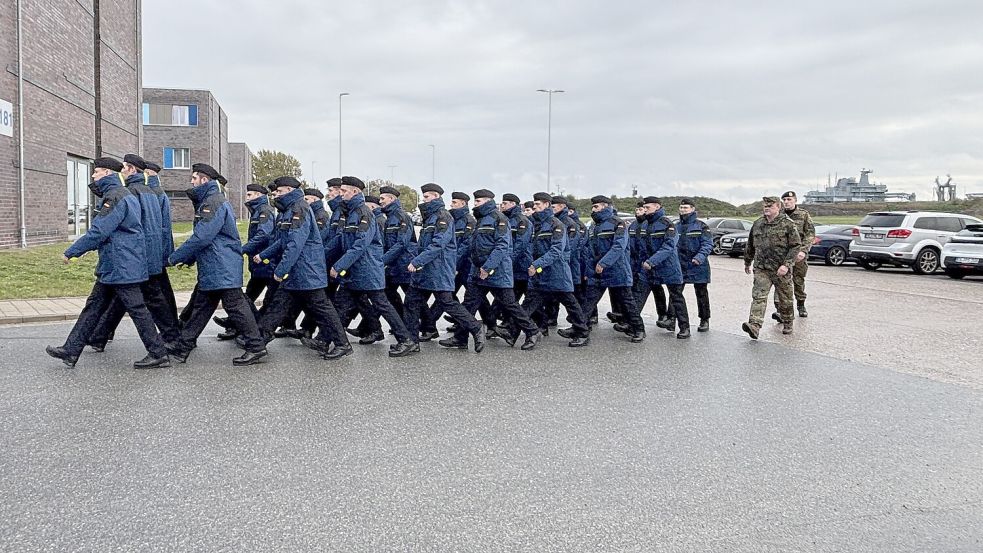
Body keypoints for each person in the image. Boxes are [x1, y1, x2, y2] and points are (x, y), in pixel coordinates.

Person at [46, 157, 170, 369]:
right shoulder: (125, 195)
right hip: (117, 264)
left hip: (122, 265)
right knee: (93, 307)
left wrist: (72, 251)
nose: (93, 176)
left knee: (138, 310)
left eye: (96, 172)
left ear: (107, 174)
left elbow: (99, 230)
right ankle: (71, 350)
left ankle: (158, 352)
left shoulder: (114, 197)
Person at [166, 163, 268, 366]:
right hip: (217, 264)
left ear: (205, 180)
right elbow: (208, 239)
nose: (192, 182)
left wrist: (175, 257)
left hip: (221, 265)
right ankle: (183, 347)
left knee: (236, 307)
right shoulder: (211, 201)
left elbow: (202, 236)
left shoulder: (212, 203)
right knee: (202, 308)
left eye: (194, 178)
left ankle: (256, 346)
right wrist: (188, 258)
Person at [85, 154, 181, 351]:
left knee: (147, 300)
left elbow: (136, 226)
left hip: (137, 255)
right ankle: (99, 336)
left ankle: (171, 339)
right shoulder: (153, 192)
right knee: (126, 298)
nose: (121, 172)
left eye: (124, 168)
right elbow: (162, 227)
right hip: (148, 254)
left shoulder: (131, 192)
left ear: (131, 170)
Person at [328, 177, 417, 357]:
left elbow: (360, 244)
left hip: (366, 270)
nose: (340, 194)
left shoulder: (363, 213)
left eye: (344, 191)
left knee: (383, 305)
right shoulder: (351, 213)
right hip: (356, 271)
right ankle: (328, 340)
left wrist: (339, 265)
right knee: (340, 305)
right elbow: (340, 241)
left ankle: (406, 340)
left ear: (355, 192)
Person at [447, 189, 541, 350]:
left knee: (511, 304)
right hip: (478, 272)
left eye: (478, 201)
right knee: (469, 304)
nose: (475, 204)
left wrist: (488, 267)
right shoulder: (481, 220)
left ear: (487, 201)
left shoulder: (499, 219)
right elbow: (473, 245)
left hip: (496, 272)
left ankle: (532, 331)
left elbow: (502, 246)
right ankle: (460, 337)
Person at [402, 183, 485, 352]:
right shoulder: (431, 217)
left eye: (426, 197)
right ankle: (411, 342)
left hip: (437, 269)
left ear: (436, 197)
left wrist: (417, 261)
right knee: (411, 302)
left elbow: (438, 243)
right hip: (426, 270)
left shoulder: (443, 217)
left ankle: (475, 327)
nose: (423, 200)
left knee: (447, 302)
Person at [522, 192, 590, 347]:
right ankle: (513, 331)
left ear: (546, 205)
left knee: (570, 302)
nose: (535, 207)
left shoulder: (556, 225)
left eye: (538, 204)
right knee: (529, 303)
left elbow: (556, 250)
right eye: (534, 204)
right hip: (541, 273)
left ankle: (583, 332)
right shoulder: (537, 224)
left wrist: (536, 264)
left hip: (556, 272)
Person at [576, 196, 645, 342]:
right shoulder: (594, 226)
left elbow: (618, 247)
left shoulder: (618, 223)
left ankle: (638, 329)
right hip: (597, 272)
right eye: (593, 207)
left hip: (616, 270)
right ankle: (579, 330)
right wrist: (589, 271)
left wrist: (604, 263)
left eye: (596, 207)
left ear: (605, 206)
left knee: (627, 302)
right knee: (588, 302)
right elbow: (589, 250)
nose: (593, 210)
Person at [215, 183, 276, 340]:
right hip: (259, 264)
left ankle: (254, 328)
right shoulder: (258, 211)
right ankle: (238, 324)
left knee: (267, 300)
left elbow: (264, 235)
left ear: (258, 195)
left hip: (266, 263)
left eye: (249, 195)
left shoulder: (264, 211)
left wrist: (243, 250)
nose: (246, 198)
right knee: (248, 296)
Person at [742, 196, 803, 339]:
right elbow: (750, 245)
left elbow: (795, 246)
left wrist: (786, 265)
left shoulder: (788, 224)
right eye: (765, 206)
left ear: (778, 207)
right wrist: (747, 262)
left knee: (785, 298)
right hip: (762, 268)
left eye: (770, 206)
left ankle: (788, 322)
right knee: (758, 297)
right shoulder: (758, 224)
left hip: (780, 269)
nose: (767, 208)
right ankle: (755, 325)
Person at [639, 197, 690, 338]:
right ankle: (633, 325)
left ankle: (684, 328)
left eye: (647, 207)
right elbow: (641, 247)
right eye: (644, 207)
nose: (645, 210)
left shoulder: (667, 224)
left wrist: (651, 261)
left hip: (668, 267)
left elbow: (668, 247)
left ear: (657, 206)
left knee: (676, 298)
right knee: (639, 295)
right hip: (649, 268)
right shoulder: (644, 224)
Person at [431, 191, 479, 337]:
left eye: (455, 203)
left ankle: (487, 324)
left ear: (463, 204)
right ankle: (430, 325)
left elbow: (466, 245)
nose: (451, 205)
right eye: (451, 202)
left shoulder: (469, 221)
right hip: (454, 265)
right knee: (446, 297)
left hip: (465, 265)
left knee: (475, 299)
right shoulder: (452, 219)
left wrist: (454, 265)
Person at [771, 190, 815, 320]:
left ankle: (801, 305)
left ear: (795, 200)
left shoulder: (803, 215)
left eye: (789, 200)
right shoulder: (779, 215)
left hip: (798, 256)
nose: (786, 202)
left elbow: (810, 234)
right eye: (784, 200)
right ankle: (780, 310)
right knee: (781, 281)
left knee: (798, 281)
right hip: (783, 255)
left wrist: (803, 250)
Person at [378, 185, 417, 319]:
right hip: (394, 265)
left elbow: (402, 243)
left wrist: (382, 260)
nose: (380, 201)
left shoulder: (402, 216)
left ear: (391, 198)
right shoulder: (390, 217)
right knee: (388, 292)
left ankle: (428, 327)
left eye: (383, 198)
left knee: (413, 298)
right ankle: (401, 320)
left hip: (405, 264)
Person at [676, 198, 713, 332]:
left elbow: (707, 244)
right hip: (680, 264)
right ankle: (671, 318)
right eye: (681, 207)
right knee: (676, 292)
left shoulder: (701, 226)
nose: (683, 210)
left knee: (701, 293)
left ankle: (704, 319)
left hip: (698, 265)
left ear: (692, 209)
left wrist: (699, 257)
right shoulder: (676, 226)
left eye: (686, 208)